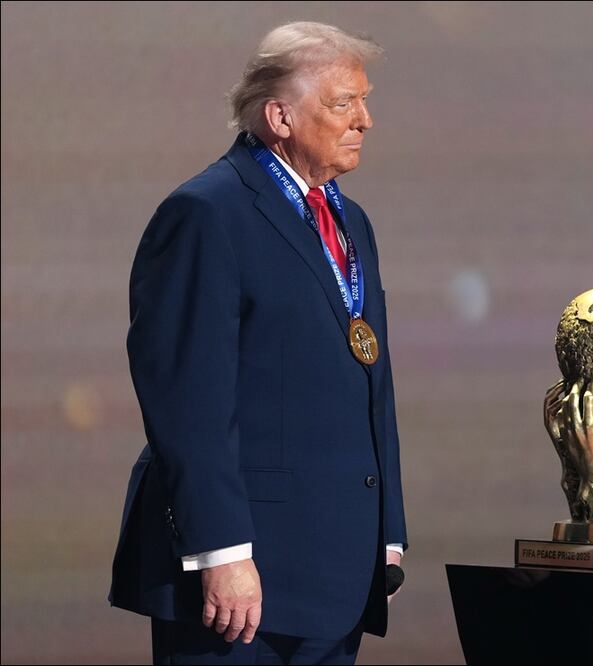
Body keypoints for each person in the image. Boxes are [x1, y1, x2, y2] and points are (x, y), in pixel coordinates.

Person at [109, 21, 407, 665]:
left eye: (364, 101)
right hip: (241, 576)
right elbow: (188, 400)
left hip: (337, 569)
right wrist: (220, 551)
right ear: (280, 116)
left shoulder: (349, 220)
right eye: (344, 103)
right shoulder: (207, 212)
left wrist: (386, 532)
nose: (365, 120)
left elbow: (369, 379)